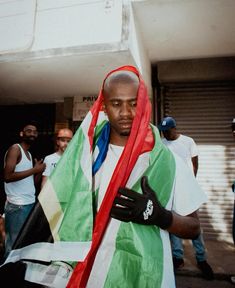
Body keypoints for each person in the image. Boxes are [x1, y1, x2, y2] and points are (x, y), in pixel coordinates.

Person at [0, 66, 207, 288]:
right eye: (116, 103)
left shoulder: (168, 161)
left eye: (134, 102)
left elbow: (194, 227)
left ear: (144, 104)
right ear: (104, 107)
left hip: (145, 276)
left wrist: (160, 216)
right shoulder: (83, 159)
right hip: (88, 275)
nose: (126, 112)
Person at [158, 116, 214, 280]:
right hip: (172, 189)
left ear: (174, 128)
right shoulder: (163, 144)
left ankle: (202, 259)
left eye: (167, 131)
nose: (165, 134)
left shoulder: (188, 141)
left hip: (186, 189)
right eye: (163, 132)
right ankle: (178, 257)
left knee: (194, 225)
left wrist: (190, 183)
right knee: (175, 223)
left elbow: (195, 163)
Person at [3, 121, 46, 258]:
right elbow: (7, 176)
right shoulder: (15, 149)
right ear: (22, 134)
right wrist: (34, 169)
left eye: (35, 131)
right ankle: (6, 273)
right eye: (29, 131)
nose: (32, 133)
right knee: (14, 244)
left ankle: (15, 270)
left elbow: (29, 183)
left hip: (28, 204)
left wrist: (38, 172)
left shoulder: (28, 154)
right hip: (18, 206)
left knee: (22, 243)